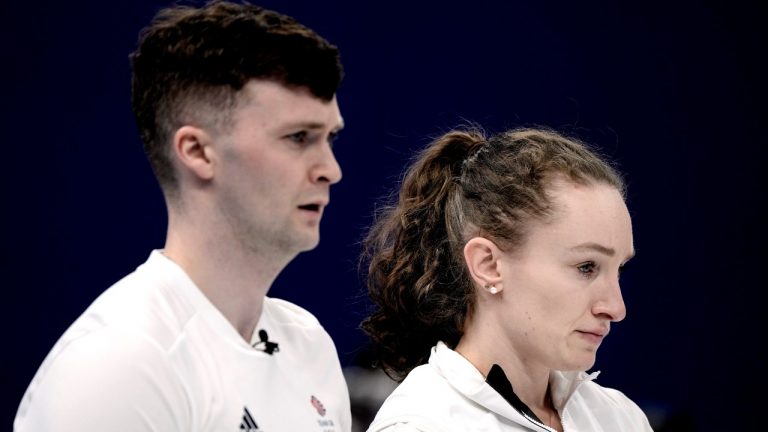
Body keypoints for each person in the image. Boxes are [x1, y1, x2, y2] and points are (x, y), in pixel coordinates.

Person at [14, 2, 350, 431]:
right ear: (196, 152)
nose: (330, 169)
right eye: (299, 137)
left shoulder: (309, 345)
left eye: (330, 138)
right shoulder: (117, 368)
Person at [361, 127, 653, 431]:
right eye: (586, 266)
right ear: (488, 265)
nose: (616, 309)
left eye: (618, 269)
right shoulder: (421, 426)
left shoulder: (621, 418)